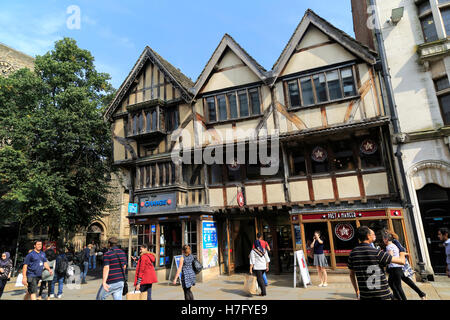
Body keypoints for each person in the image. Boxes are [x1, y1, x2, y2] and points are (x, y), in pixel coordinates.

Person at [348, 226, 406, 300]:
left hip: (365, 295)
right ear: (368, 236)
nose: (375, 236)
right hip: (382, 295)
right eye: (373, 234)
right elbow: (402, 261)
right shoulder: (377, 252)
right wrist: (401, 251)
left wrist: (357, 291)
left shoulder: (353, 253)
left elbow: (351, 274)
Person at [385, 230, 427, 300]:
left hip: (400, 263)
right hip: (399, 264)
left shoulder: (394, 242)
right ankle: (421, 294)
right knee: (403, 281)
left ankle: (420, 294)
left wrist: (404, 254)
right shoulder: (392, 242)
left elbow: (401, 250)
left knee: (398, 283)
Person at [383, 233, 407, 300]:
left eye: (383, 239)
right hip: (396, 267)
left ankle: (400, 298)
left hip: (394, 268)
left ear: (386, 239)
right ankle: (396, 298)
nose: (383, 241)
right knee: (393, 284)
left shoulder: (389, 246)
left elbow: (390, 256)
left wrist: (385, 259)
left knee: (397, 286)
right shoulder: (393, 245)